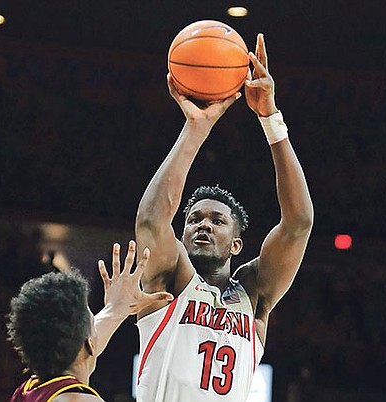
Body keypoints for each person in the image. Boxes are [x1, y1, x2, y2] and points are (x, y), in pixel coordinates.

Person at [134, 33, 314, 401]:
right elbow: (152, 222)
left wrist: (269, 117)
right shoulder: (168, 281)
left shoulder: (254, 293)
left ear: (236, 243)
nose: (203, 224)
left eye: (217, 221)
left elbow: (299, 224)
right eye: (195, 219)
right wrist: (195, 128)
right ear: (182, 236)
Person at [8, 241, 172, 402]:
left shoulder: (28, 391)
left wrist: (116, 308)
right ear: (91, 344)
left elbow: (78, 341)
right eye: (93, 322)